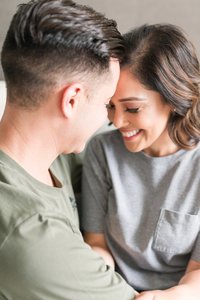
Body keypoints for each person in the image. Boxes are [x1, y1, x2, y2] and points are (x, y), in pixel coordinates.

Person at [0, 0, 138, 299]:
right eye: (105, 104)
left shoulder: (53, 158)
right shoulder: (31, 233)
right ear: (72, 100)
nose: (110, 119)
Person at [81, 23, 200, 300]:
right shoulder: (102, 151)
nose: (116, 121)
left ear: (174, 97)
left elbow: (197, 274)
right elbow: (96, 243)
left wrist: (165, 297)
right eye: (110, 105)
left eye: (132, 108)